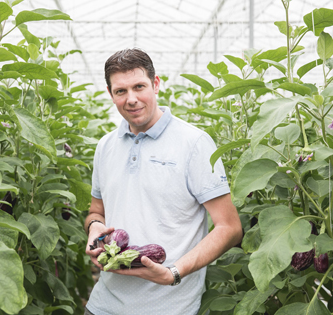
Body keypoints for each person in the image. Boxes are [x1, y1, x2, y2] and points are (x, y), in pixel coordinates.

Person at [84, 48, 243, 315]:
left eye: (139, 87)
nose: (131, 99)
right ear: (111, 94)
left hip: (170, 307)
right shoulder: (106, 146)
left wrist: (173, 273)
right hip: (103, 305)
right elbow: (96, 211)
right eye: (121, 91)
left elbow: (230, 227)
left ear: (156, 85)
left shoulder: (193, 143)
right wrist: (94, 228)